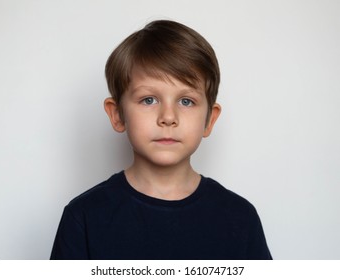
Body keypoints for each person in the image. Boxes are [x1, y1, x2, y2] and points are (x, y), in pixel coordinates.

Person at [50, 19, 272, 260]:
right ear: (117, 114)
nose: (168, 117)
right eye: (149, 100)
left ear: (209, 119)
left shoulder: (240, 218)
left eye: (186, 101)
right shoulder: (84, 217)